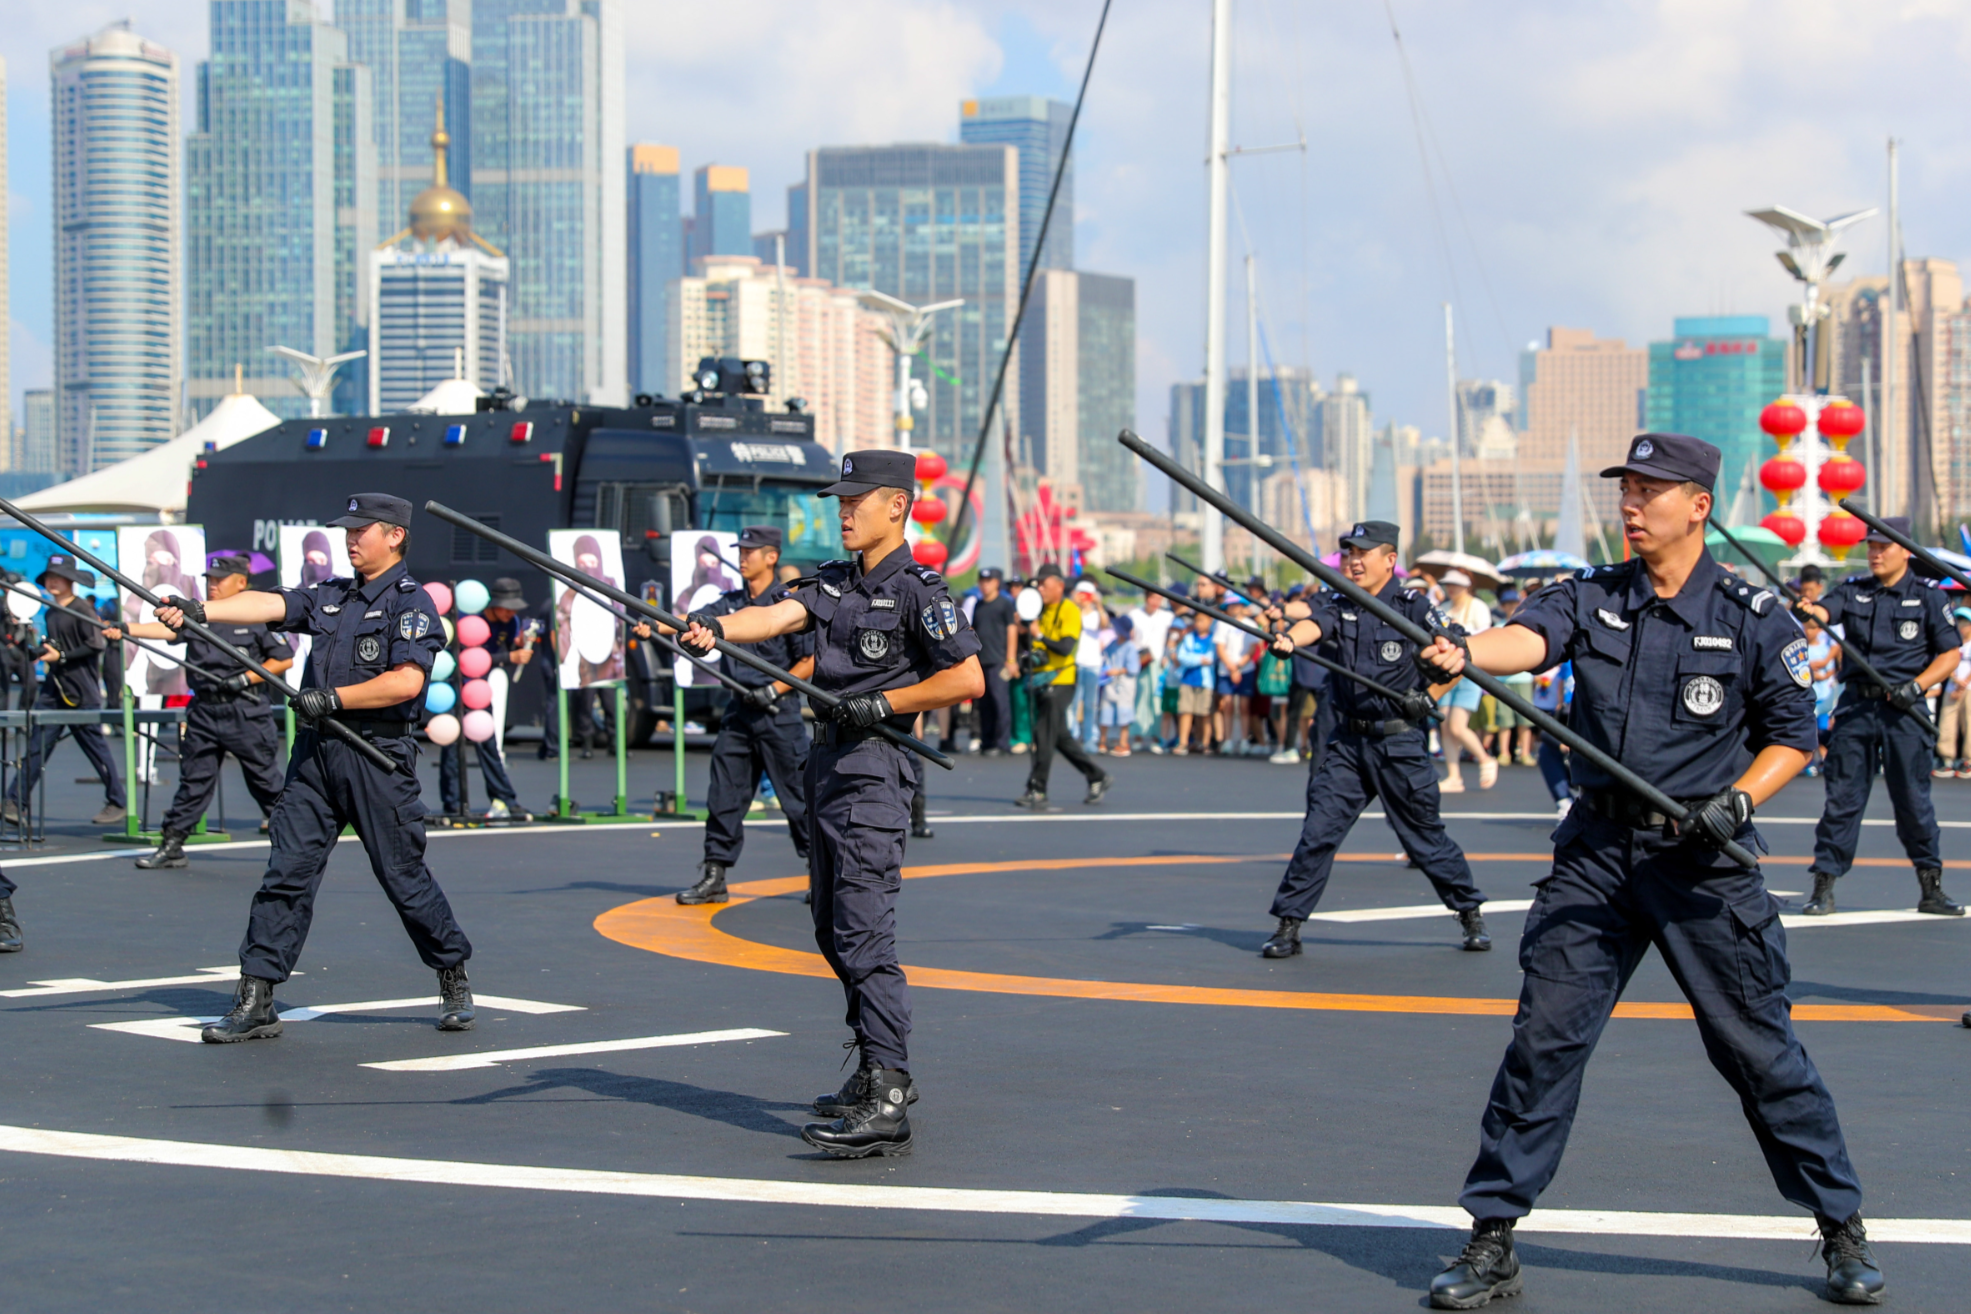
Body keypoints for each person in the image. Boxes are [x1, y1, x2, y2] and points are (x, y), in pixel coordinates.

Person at [1416, 433, 1882, 1309]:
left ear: (1697, 505)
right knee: (1542, 1043)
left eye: (1648, 491)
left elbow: (1793, 737)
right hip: (1595, 856)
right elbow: (1525, 638)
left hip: (1701, 861)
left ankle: (1838, 1226)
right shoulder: (1592, 595)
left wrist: (1738, 803)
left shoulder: (1750, 615)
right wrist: (1464, 651)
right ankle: (1491, 1237)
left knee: (1757, 1051)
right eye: (1624, 490)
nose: (1629, 505)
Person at [676, 449, 984, 1158]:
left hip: (874, 773)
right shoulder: (834, 581)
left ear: (897, 507)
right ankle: (872, 1066)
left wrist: (882, 701)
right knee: (827, 927)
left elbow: (965, 677)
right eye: (839, 502)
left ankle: (889, 1091)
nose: (842, 512)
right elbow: (778, 616)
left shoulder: (918, 590)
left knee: (863, 933)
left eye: (856, 501)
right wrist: (714, 629)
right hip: (825, 766)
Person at [158, 494, 475, 1043]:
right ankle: (256, 997)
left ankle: (452, 973)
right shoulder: (331, 595)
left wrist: (334, 698)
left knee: (402, 876)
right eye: (347, 532)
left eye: (361, 530)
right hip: (316, 756)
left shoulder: (411, 604)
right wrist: (198, 611)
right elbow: (268, 605)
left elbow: (406, 682)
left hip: (375, 756)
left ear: (395, 535)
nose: (350, 539)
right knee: (286, 873)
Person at [1263, 521, 1489, 959]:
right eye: (1349, 552)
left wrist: (1429, 695)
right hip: (1347, 743)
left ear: (1389, 560)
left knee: (1423, 837)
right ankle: (1288, 924)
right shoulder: (1338, 599)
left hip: (1398, 743)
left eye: (1362, 553)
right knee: (1318, 832)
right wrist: (1289, 640)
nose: (1353, 560)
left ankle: (1469, 911)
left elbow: (1456, 652)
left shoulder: (1412, 605)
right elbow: (1316, 625)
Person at [1795, 515, 1964, 917]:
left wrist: (1917, 686)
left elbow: (1950, 654)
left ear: (1904, 550)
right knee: (1842, 800)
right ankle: (1823, 887)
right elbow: (1823, 611)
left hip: (1905, 708)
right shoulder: (1853, 591)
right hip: (1857, 706)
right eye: (1870, 546)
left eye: (1882, 547)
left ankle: (1931, 887)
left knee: (1913, 801)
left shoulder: (1927, 596)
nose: (1874, 554)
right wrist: (1811, 610)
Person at [660, 526, 813, 906]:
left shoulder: (788, 603)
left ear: (771, 557)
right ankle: (715, 874)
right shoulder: (729, 603)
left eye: (750, 551)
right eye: (741, 551)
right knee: (723, 794)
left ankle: (820, 873)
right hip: (740, 712)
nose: (742, 557)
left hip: (780, 713)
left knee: (800, 799)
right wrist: (651, 624)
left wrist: (774, 689)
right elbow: (687, 622)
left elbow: (808, 660)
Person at [114, 554, 295, 869]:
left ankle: (294, 845)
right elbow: (170, 632)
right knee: (194, 781)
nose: (212, 585)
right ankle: (172, 845)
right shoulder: (198, 615)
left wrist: (244, 677)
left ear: (241, 582)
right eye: (209, 579)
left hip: (245, 709)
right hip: (204, 710)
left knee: (265, 781)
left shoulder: (255, 615)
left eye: (219, 580)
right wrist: (127, 628)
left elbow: (283, 659)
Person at [3, 554, 126, 827]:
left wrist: (61, 657)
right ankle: (15, 801)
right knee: (36, 746)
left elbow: (96, 645)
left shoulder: (81, 608)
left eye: (59, 577)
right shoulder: (50, 611)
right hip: (53, 691)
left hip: (81, 691)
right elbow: (55, 647)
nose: (53, 581)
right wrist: (34, 651)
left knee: (96, 749)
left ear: (71, 581)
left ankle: (118, 801)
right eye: (50, 576)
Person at [1016, 564, 1111, 807]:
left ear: (1059, 585)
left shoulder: (1069, 610)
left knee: (1043, 734)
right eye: (1037, 584)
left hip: (1061, 680)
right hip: (1040, 679)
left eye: (1044, 585)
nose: (1040, 589)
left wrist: (1039, 636)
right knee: (1058, 736)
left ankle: (1037, 788)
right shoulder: (1039, 609)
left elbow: (1066, 647)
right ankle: (1097, 776)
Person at [440, 577, 534, 820]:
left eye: (514, 607)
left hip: (479, 688)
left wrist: (516, 651)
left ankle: (505, 798)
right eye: (506, 607)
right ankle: (452, 803)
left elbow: (494, 657)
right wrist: (507, 657)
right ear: (493, 604)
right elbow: (464, 659)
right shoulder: (469, 621)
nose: (510, 612)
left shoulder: (511, 623)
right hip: (456, 685)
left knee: (488, 744)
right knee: (451, 747)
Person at [1434, 570, 1494, 792]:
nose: (1452, 589)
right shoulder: (1444, 607)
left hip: (1469, 670)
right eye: (1449, 584)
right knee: (1445, 724)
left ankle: (1485, 759)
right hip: (1446, 670)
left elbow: (1486, 634)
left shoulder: (1477, 606)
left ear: (1467, 586)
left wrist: (1462, 628)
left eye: (1456, 585)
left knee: (1457, 726)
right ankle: (1454, 776)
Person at [970, 568, 1017, 755]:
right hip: (981, 660)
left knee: (1001, 703)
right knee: (984, 704)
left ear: (997, 582)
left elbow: (1012, 631)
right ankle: (987, 741)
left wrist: (1011, 659)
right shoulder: (979, 605)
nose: (985, 584)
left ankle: (1003, 742)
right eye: (982, 581)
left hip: (999, 660)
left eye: (988, 581)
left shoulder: (1004, 604)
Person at [1124, 590, 1174, 754]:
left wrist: (1168, 655)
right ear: (1146, 597)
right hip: (1140, 661)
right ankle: (1137, 735)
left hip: (1159, 661)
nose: (1156, 601)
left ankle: (1156, 736)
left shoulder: (1167, 617)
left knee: (1156, 700)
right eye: (1153, 597)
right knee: (1139, 698)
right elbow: (1129, 638)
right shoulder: (1134, 614)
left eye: (1159, 598)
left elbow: (1171, 639)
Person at [1172, 607, 1218, 755]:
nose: (1199, 623)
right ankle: (1183, 742)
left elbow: (1211, 659)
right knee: (1186, 711)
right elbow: (1182, 657)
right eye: (1197, 620)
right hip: (1187, 679)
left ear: (1210, 622)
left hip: (1205, 682)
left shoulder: (1213, 639)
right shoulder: (1189, 638)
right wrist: (1198, 659)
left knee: (1204, 714)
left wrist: (1194, 659)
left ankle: (1203, 742)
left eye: (1202, 620)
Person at [1933, 608, 1971, 777]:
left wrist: (1963, 684)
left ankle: (1968, 761)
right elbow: (1945, 663)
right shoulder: (1951, 643)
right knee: (1947, 722)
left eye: (1965, 622)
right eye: (1959, 622)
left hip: (1969, 688)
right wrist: (1955, 681)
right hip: (1952, 687)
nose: (1962, 626)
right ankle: (1947, 759)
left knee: (1969, 723)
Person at [1071, 579, 1106, 751]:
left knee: (1090, 703)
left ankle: (1089, 738)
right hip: (1076, 662)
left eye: (1087, 595)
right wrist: (1075, 604)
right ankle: (1071, 735)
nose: (1083, 599)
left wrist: (1098, 604)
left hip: (1093, 663)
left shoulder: (1096, 614)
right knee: (1073, 702)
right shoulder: (1073, 611)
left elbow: (1105, 624)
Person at [1098, 614, 1137, 755]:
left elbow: (1134, 668)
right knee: (1105, 711)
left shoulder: (1130, 647)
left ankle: (1123, 743)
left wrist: (1118, 671)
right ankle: (1102, 741)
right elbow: (1104, 655)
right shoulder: (1113, 643)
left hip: (1124, 684)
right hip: (1110, 683)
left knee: (1124, 713)